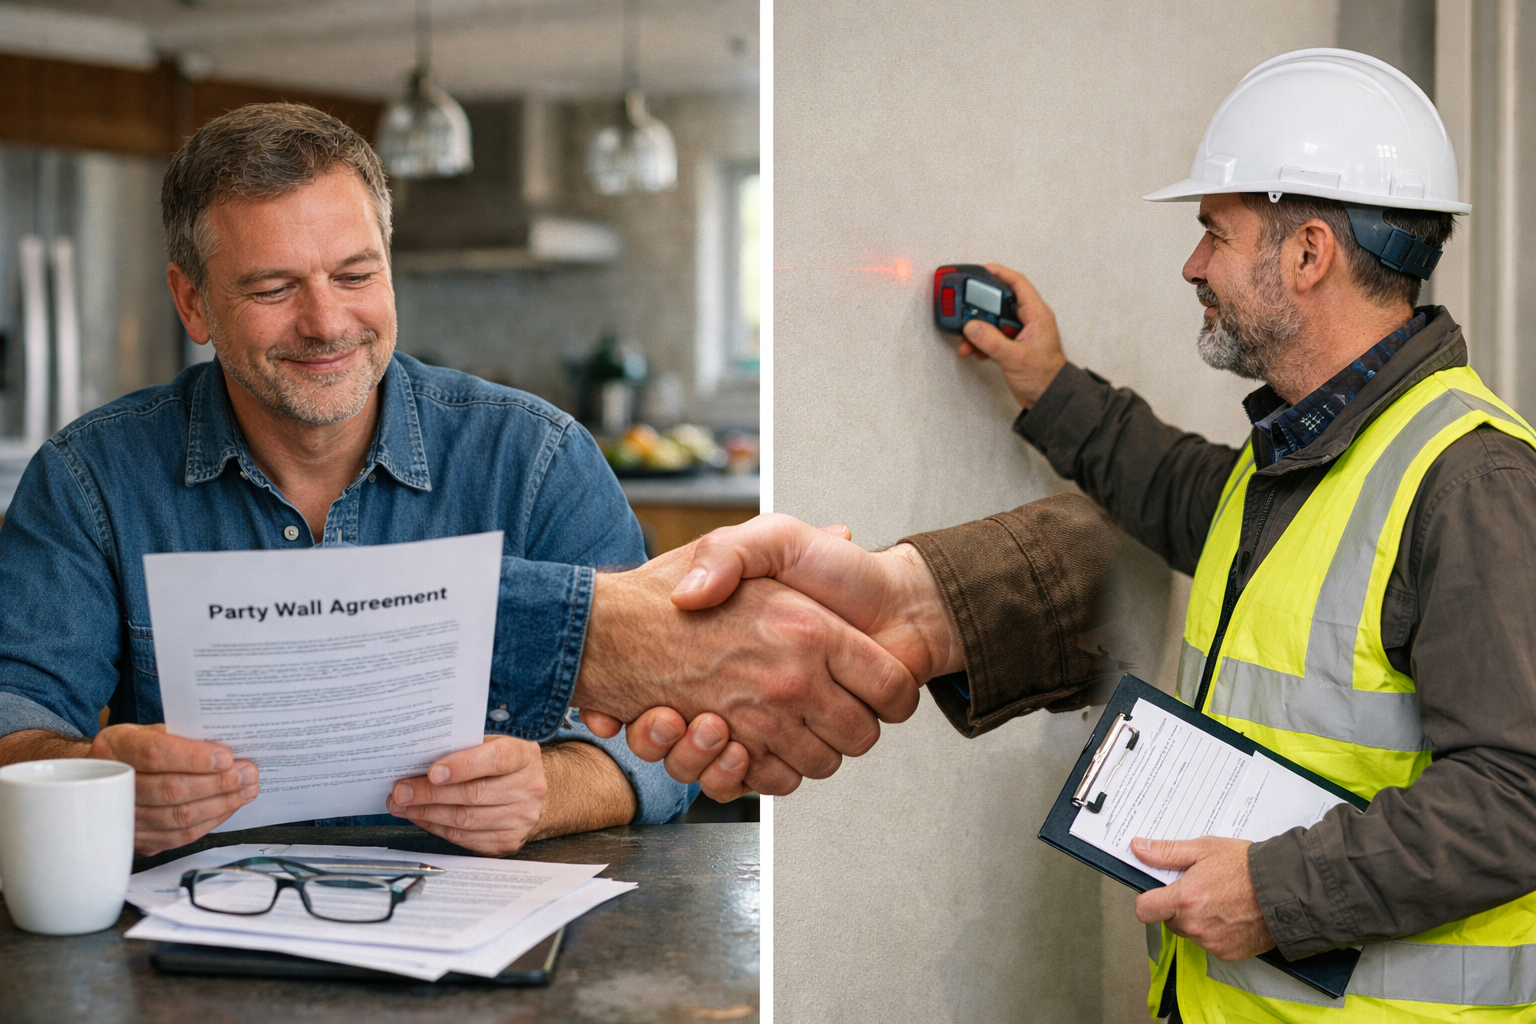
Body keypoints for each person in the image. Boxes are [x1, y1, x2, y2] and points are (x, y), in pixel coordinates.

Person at [632, 49, 1536, 1020]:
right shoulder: (1300, 461)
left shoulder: (1471, 480)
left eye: (1214, 236)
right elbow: (1185, 489)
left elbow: (1517, 796)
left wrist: (1277, 892)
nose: (1192, 266)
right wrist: (1049, 382)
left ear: (1309, 253)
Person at [0, 102, 920, 857]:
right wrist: (99, 781)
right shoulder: (89, 480)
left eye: (356, 273)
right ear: (193, 300)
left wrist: (553, 788)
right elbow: (15, 721)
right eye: (274, 288)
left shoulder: (538, 458)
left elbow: (662, 743)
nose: (327, 322)